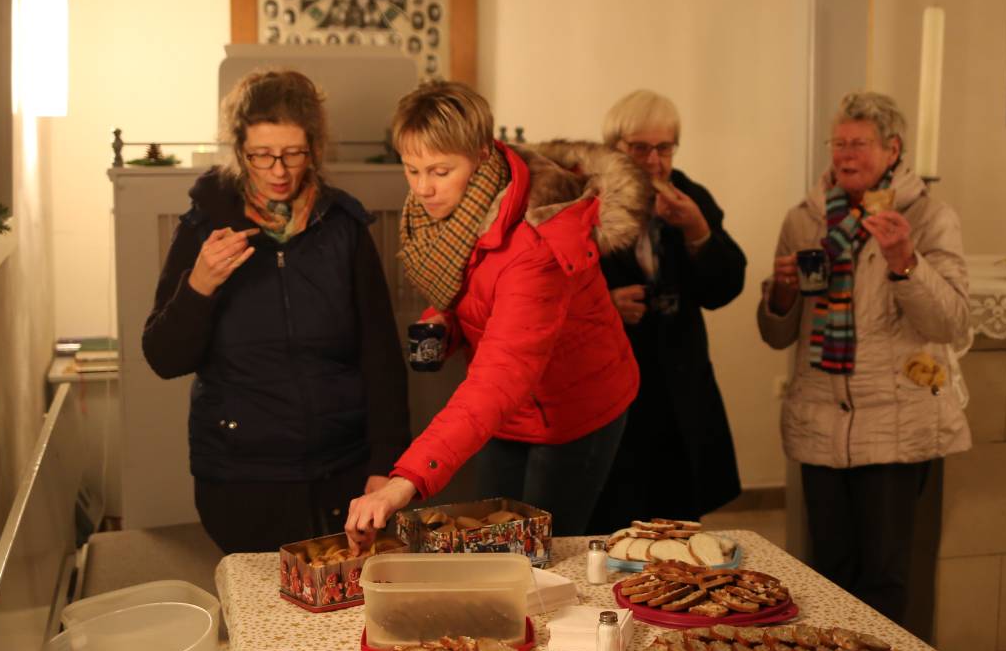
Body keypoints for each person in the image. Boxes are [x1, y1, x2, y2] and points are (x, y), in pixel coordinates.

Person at [344, 82, 649, 542]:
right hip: (511, 409)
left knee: (539, 553)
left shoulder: (534, 240)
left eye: (439, 171)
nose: (423, 188)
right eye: (412, 170)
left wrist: (404, 481)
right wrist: (444, 322)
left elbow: (501, 373)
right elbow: (472, 280)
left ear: (482, 154)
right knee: (491, 541)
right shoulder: (456, 207)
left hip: (574, 407)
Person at [142, 70, 409, 553]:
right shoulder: (205, 225)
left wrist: (386, 466)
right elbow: (163, 358)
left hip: (341, 472)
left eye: (293, 153)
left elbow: (381, 356)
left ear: (315, 147)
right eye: (262, 155)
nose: (279, 170)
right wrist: (199, 286)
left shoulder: (343, 227)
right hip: (241, 476)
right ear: (239, 150)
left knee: (346, 611)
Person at [756, 91, 970, 626]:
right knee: (827, 575)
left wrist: (905, 262)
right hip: (820, 422)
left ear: (893, 149)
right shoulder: (805, 220)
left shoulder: (928, 218)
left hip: (895, 424)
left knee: (886, 578)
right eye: (839, 143)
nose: (846, 154)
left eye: (860, 143)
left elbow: (950, 323)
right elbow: (778, 335)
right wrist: (779, 294)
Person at [590, 89, 746, 530]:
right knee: (611, 525)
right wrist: (606, 306)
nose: (653, 160)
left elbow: (725, 287)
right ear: (613, 149)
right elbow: (553, 291)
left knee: (678, 530)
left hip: (678, 393)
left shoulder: (691, 197)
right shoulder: (586, 203)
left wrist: (698, 231)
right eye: (639, 147)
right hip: (610, 397)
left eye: (664, 148)